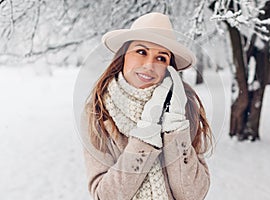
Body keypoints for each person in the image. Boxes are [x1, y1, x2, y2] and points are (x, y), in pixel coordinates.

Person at [82, 12, 213, 200]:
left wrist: (175, 128)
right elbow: (105, 196)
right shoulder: (98, 112)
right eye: (141, 52)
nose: (149, 65)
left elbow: (193, 194)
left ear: (170, 68)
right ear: (123, 55)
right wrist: (145, 135)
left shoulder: (185, 109)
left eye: (161, 58)